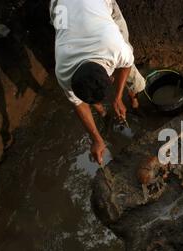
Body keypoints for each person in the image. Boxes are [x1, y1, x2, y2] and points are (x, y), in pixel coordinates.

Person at [50, 0, 146, 165]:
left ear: (111, 77)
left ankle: (133, 97)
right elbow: (79, 103)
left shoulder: (115, 46)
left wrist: (117, 98)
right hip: (60, 4)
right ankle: (103, 114)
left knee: (130, 62)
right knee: (61, 28)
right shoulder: (63, 72)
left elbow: (127, 64)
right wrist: (96, 139)